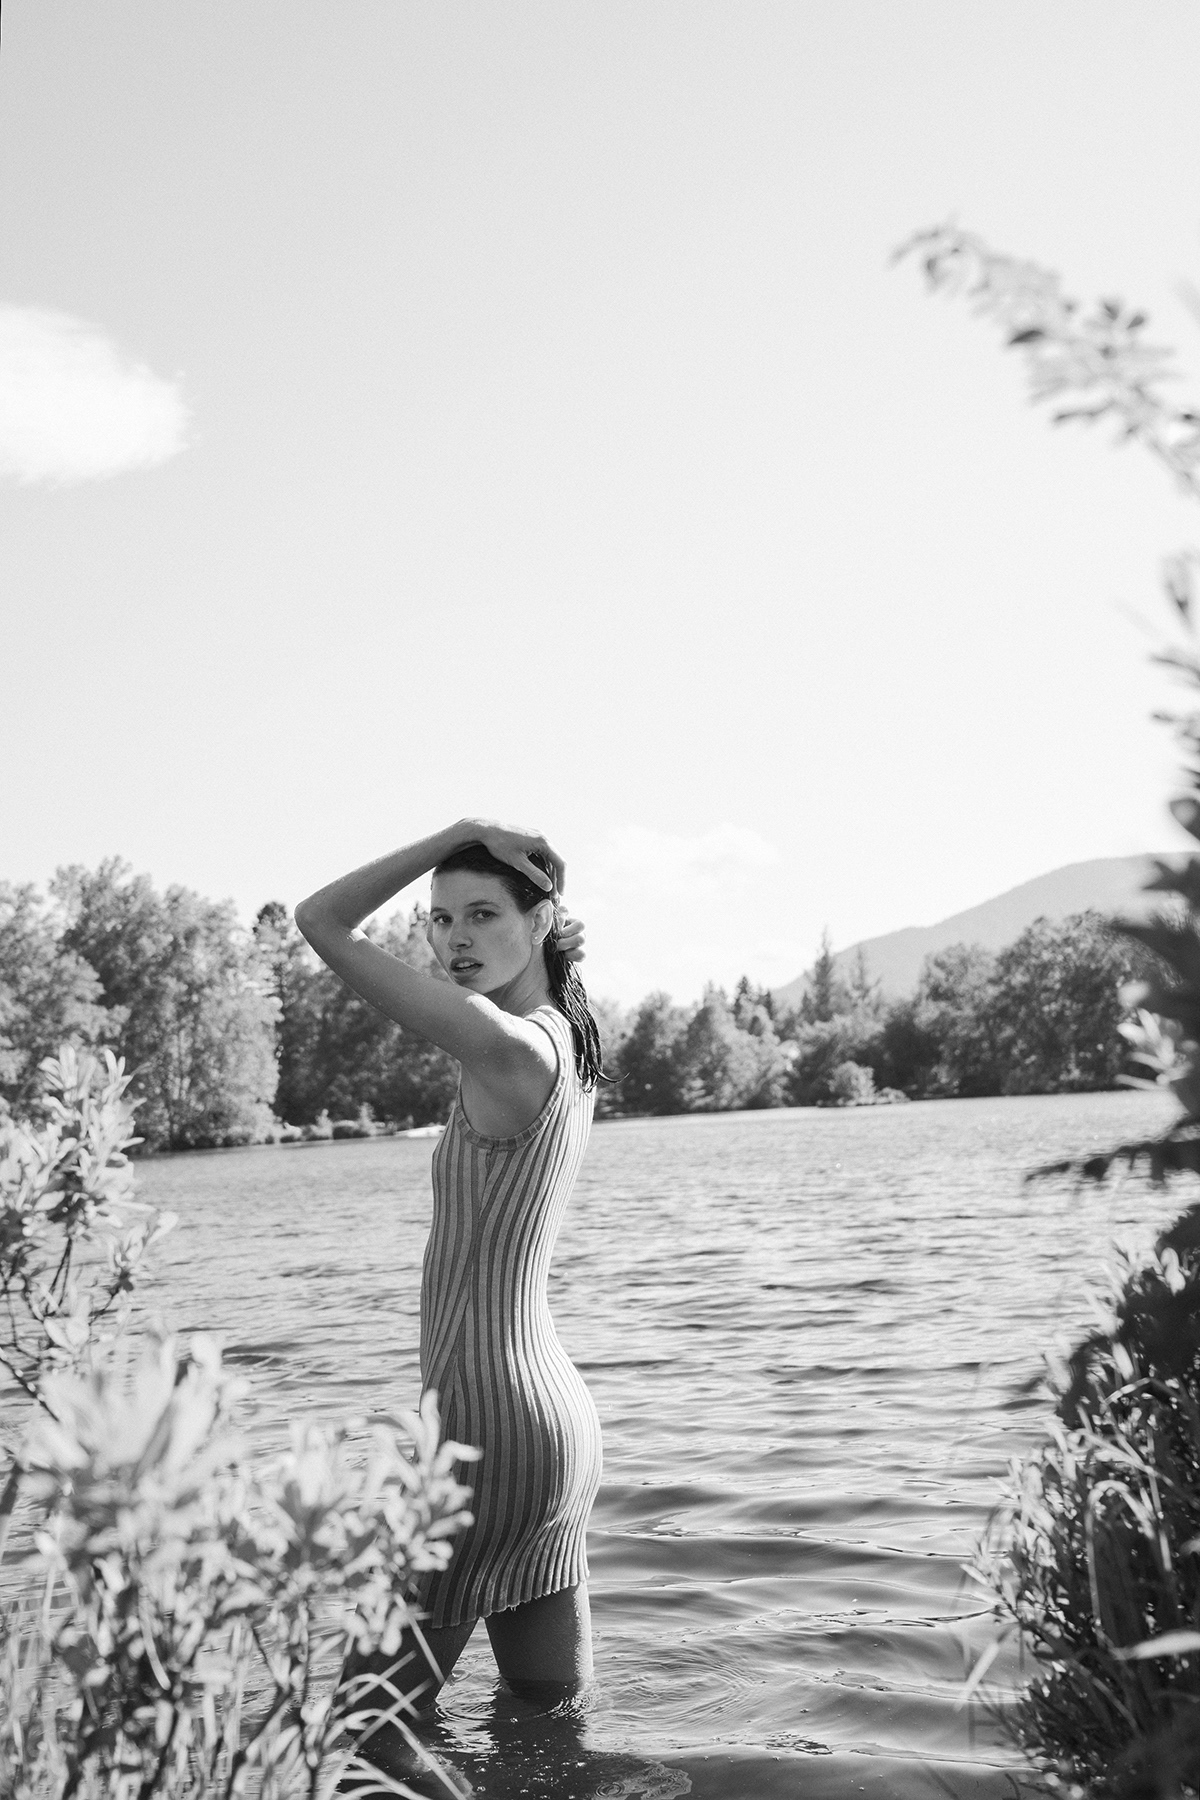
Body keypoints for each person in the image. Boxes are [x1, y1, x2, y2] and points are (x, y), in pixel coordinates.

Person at [294, 817, 606, 1786]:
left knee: (358, 1732)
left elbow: (320, 920)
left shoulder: (507, 1045)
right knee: (549, 1729)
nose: (453, 938)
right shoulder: (566, 1039)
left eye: (481, 914)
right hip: (553, 1426)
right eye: (439, 918)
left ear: (540, 919)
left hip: (480, 1428)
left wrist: (456, 833)